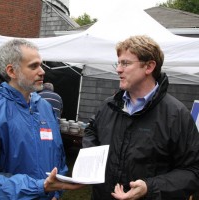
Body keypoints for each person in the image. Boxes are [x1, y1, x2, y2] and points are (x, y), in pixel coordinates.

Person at [82, 35, 199, 200]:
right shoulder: (109, 105)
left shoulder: (176, 115)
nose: (118, 69)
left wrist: (149, 188)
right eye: (119, 63)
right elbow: (91, 130)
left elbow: (193, 171)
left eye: (126, 63)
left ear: (149, 66)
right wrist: (90, 164)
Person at [0, 38, 82, 199]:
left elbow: (59, 157)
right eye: (33, 66)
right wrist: (39, 187)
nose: (42, 71)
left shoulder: (45, 107)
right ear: (11, 71)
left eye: (41, 65)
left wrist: (56, 192)